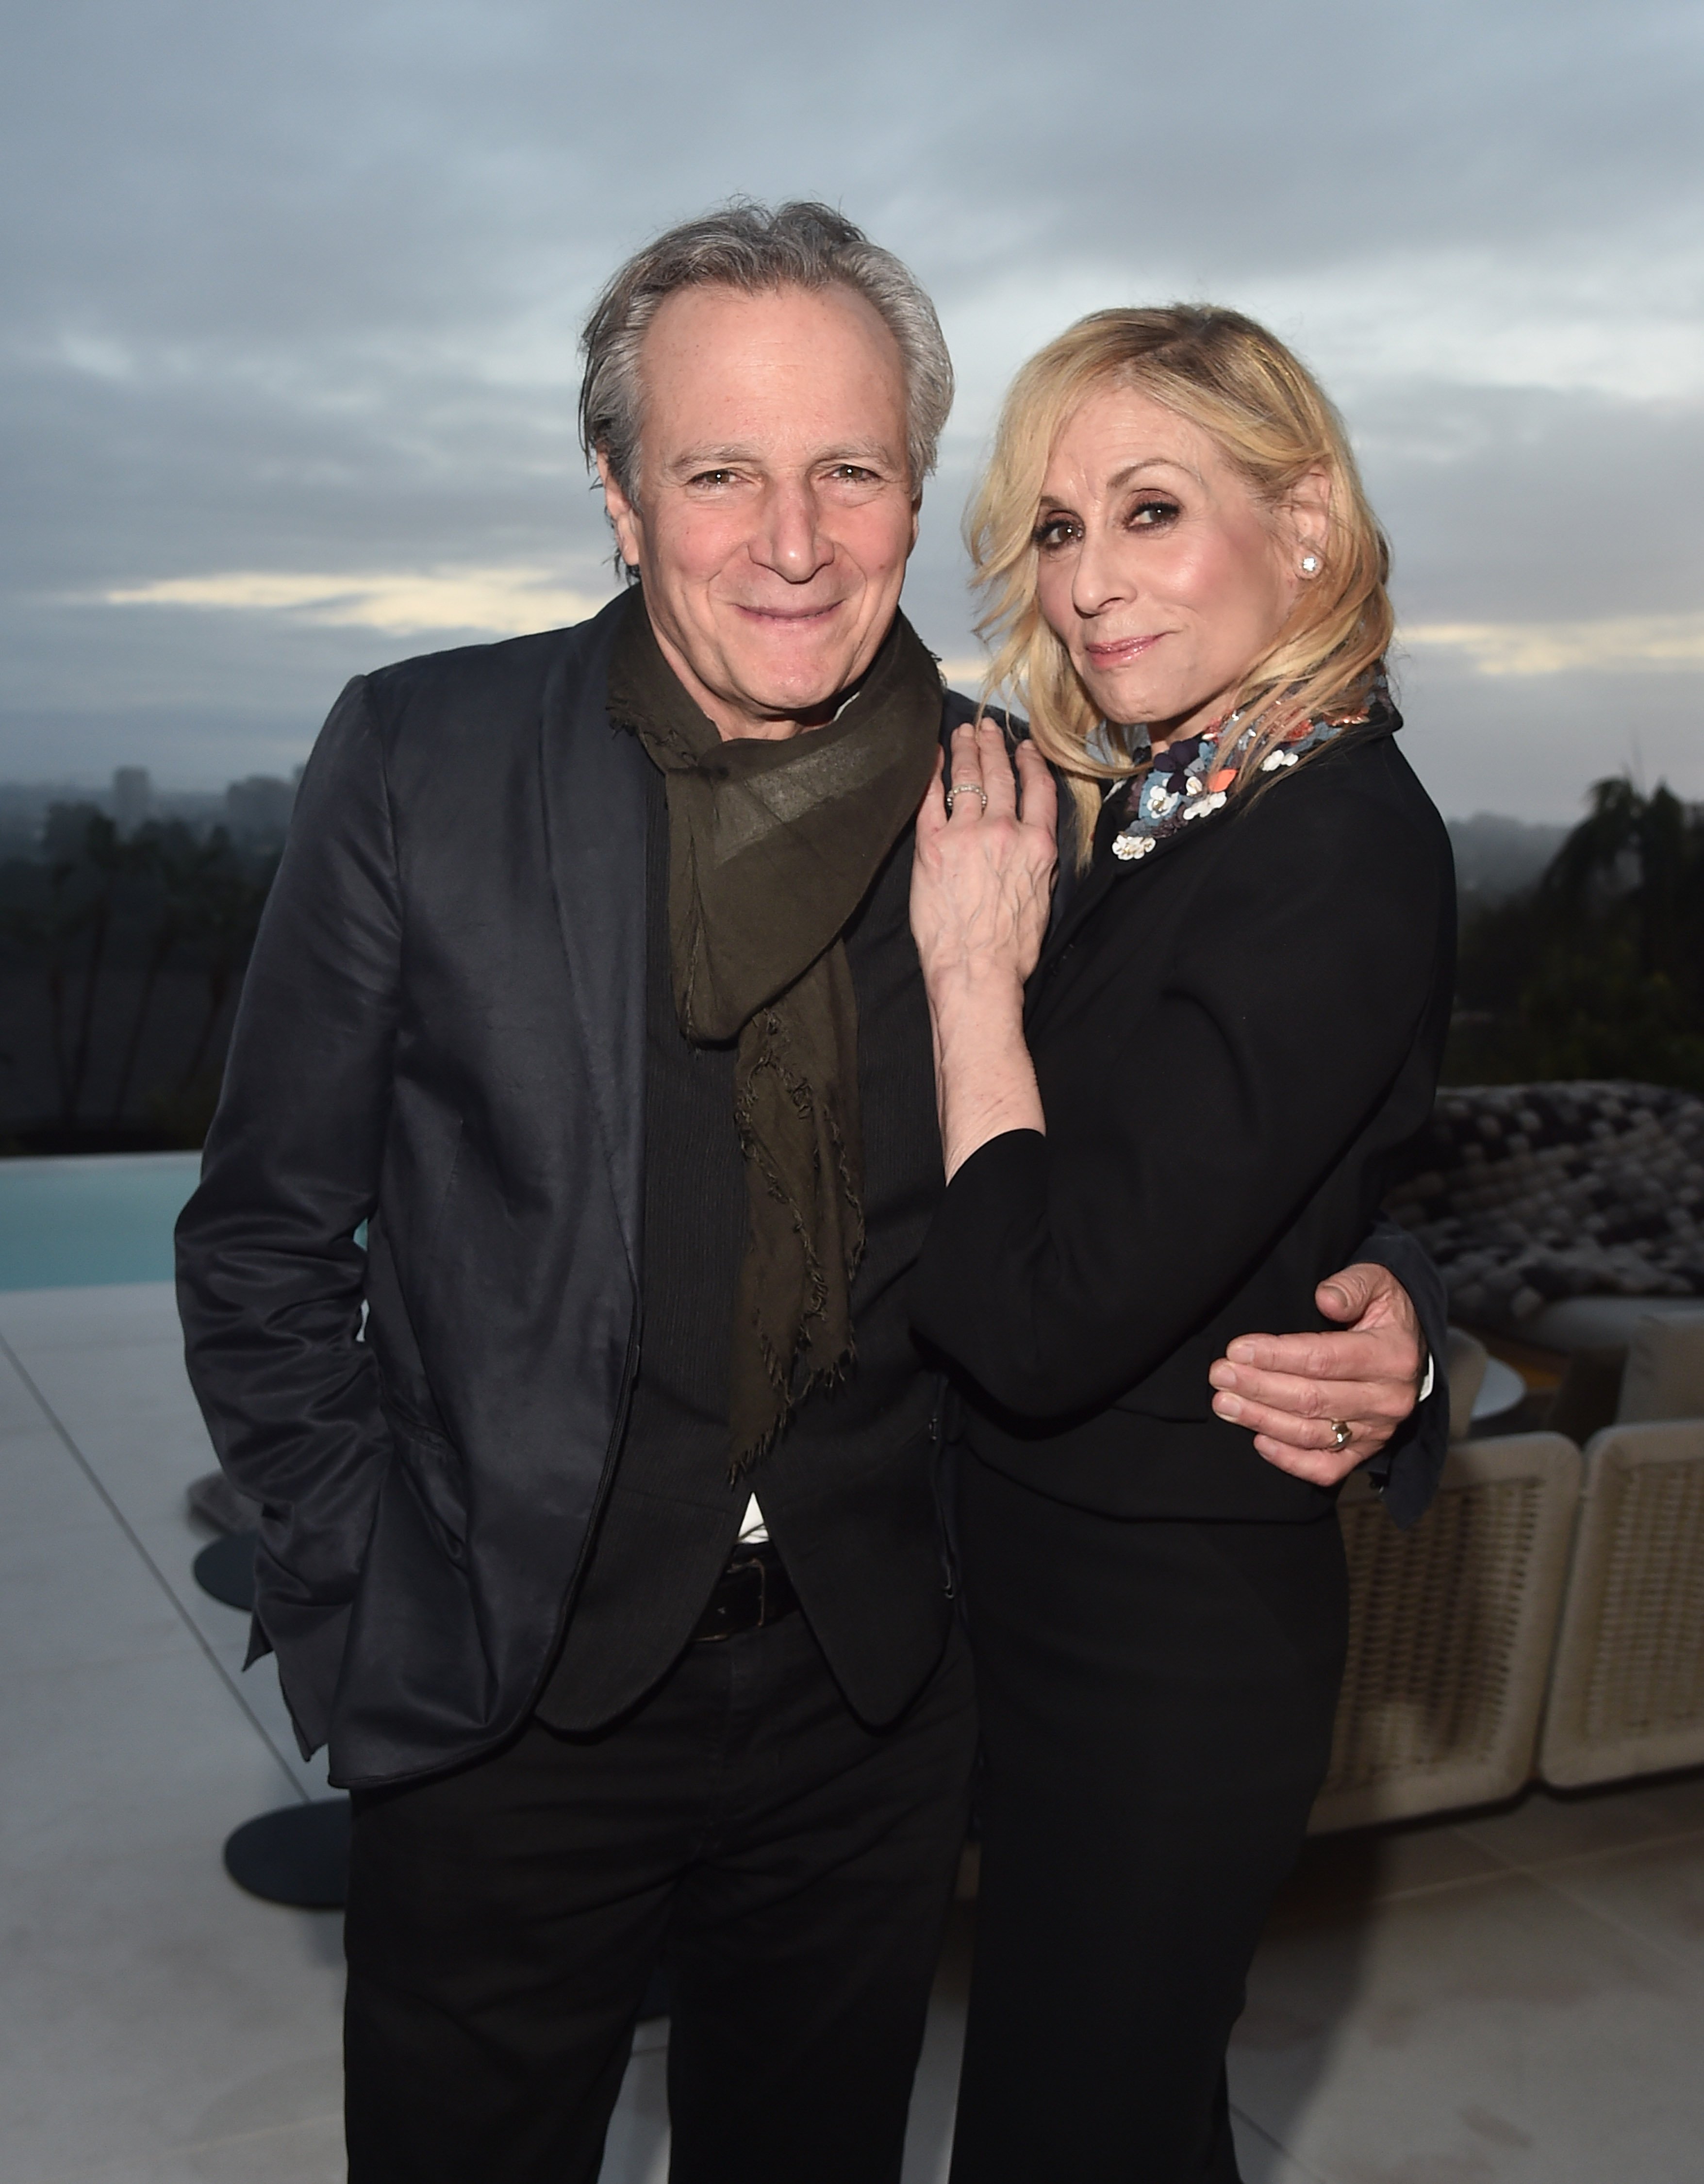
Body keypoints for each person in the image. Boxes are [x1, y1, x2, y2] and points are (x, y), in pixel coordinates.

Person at [175, 210, 1445, 2184]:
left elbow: (1212, 1130)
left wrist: (1394, 1297)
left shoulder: (1010, 802)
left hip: (875, 1700)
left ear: (910, 491)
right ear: (617, 495)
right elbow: (260, 1235)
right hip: (508, 1698)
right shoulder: (423, 761)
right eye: (719, 472)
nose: (791, 539)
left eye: (847, 470)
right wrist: (368, 1602)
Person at [907, 304, 1457, 2182]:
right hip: (1039, 1608)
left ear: (1305, 523)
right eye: (1058, 530)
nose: (1087, 584)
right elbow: (1275, 1170)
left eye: (1150, 510)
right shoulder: (1168, 815)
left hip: (1158, 1658)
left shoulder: (1338, 837)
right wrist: (1403, 1290)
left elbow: (1051, 1309)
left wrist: (975, 983)